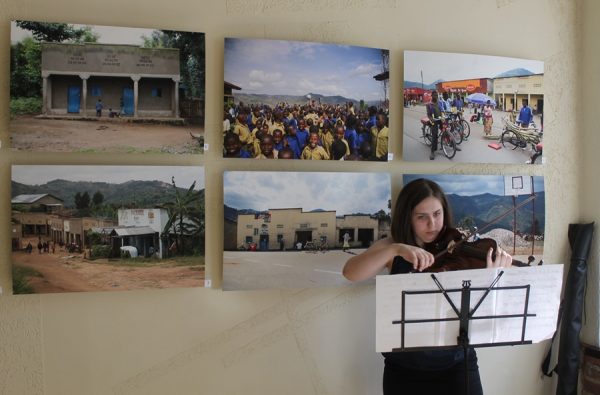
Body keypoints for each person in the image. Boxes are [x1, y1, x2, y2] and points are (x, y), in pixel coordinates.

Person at [343, 178, 512, 395]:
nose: (432, 224)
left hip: (458, 364)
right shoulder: (392, 247)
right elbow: (350, 272)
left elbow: (479, 308)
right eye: (422, 217)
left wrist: (491, 278)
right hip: (404, 371)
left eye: (437, 214)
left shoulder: (456, 246)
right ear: (408, 217)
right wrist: (395, 249)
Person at [426, 91, 442, 160]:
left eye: (437, 95)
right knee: (434, 135)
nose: (436, 96)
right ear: (432, 96)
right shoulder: (429, 104)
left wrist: (443, 116)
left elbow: (441, 111)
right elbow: (428, 115)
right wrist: (431, 119)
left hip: (439, 119)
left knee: (446, 128)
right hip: (433, 121)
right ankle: (432, 151)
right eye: (435, 95)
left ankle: (452, 144)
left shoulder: (439, 103)